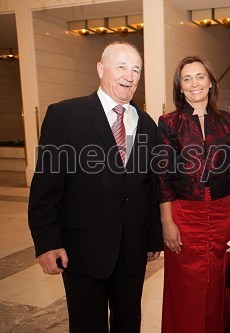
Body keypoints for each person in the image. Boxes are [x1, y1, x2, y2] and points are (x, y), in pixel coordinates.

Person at [28, 41, 163, 332]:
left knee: (129, 323)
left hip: (131, 251)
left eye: (136, 69)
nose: (130, 74)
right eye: (122, 66)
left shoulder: (146, 124)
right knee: (87, 324)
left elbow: (148, 186)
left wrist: (153, 238)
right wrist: (47, 242)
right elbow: (46, 185)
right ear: (101, 69)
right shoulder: (65, 115)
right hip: (82, 249)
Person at [157, 56, 230, 333]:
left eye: (200, 76)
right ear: (180, 87)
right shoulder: (169, 123)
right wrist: (167, 223)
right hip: (184, 214)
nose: (195, 83)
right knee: (185, 285)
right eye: (187, 78)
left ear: (210, 82)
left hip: (221, 214)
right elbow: (163, 176)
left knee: (218, 284)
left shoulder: (228, 121)